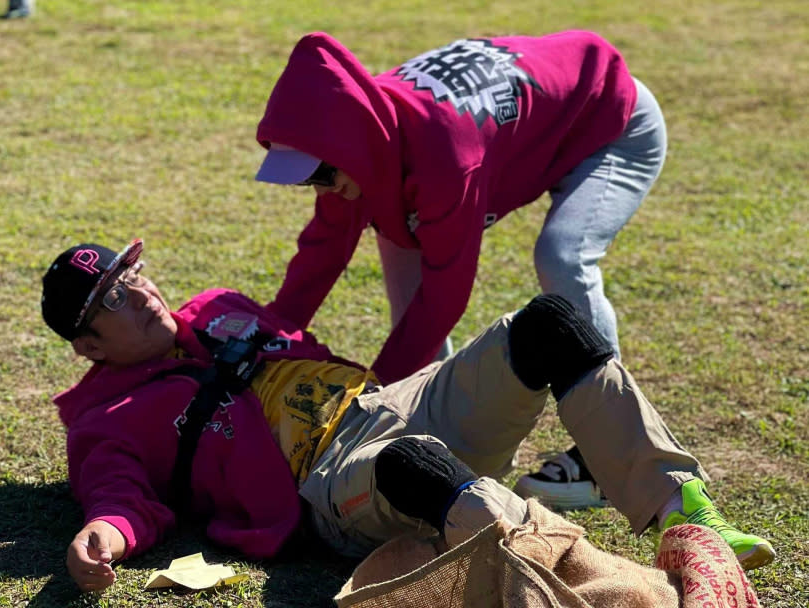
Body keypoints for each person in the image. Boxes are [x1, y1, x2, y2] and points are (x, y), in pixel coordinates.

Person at [40, 238, 774, 592]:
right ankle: (613, 590)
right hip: (328, 480)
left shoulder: (221, 309)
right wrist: (102, 534)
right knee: (415, 469)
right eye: (112, 297)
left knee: (550, 324)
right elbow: (118, 496)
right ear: (87, 344)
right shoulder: (107, 418)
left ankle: (694, 517)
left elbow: (314, 358)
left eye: (131, 274)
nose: (139, 293)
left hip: (390, 401)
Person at [253, 30, 668, 507]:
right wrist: (269, 341)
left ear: (349, 147)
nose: (318, 189)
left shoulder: (446, 154)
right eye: (304, 180)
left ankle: (610, 457)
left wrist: (374, 400)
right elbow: (321, 253)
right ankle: (434, 434)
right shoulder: (360, 135)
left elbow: (445, 296)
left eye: (321, 174)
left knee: (562, 255)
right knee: (398, 234)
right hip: (536, 126)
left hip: (609, 122)